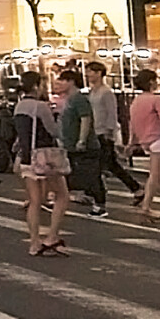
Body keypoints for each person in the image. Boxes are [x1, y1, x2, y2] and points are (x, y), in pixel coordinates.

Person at [15, 70, 71, 256]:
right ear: (36, 86)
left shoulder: (19, 106)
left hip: (27, 157)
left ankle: (34, 243)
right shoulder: (40, 107)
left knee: (34, 201)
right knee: (62, 195)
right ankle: (52, 235)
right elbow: (54, 131)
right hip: (45, 157)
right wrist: (59, 117)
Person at [124, 68, 160, 227]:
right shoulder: (156, 100)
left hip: (144, 140)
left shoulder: (135, 101)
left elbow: (132, 123)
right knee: (155, 175)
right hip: (158, 138)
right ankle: (146, 207)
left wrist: (131, 142)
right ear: (151, 82)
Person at [86, 62, 142, 201]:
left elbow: (112, 113)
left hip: (104, 131)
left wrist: (110, 131)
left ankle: (135, 188)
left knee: (109, 164)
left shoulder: (106, 92)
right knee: (106, 164)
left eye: (91, 72)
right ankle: (134, 188)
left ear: (99, 73)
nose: (88, 75)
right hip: (95, 131)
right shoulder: (92, 91)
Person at [56, 68, 106, 218]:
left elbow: (86, 119)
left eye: (63, 80)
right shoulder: (68, 100)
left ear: (71, 82)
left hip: (85, 145)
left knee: (91, 175)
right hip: (70, 144)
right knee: (73, 174)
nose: (59, 84)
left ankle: (100, 204)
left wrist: (82, 140)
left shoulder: (79, 99)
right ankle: (80, 196)